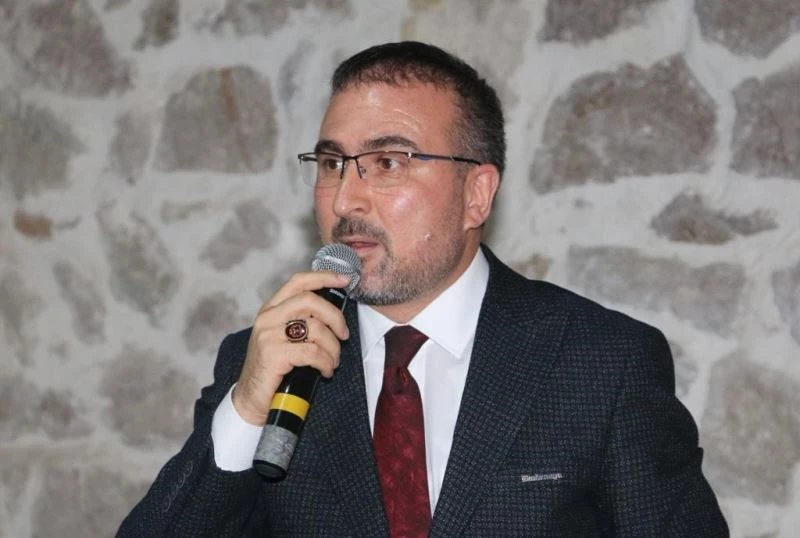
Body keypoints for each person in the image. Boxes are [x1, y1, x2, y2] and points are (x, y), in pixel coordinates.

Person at [118, 41, 728, 537]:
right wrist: (248, 408)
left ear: (476, 195)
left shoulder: (602, 364)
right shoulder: (271, 361)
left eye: (388, 163)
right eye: (331, 164)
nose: (346, 200)